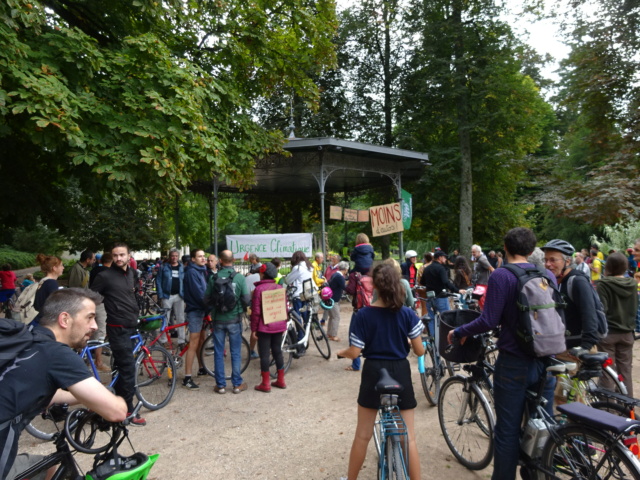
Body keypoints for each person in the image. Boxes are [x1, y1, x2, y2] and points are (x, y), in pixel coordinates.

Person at [448, 228, 558, 480]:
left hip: (514, 362)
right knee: (543, 424)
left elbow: (489, 320)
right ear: (532, 251)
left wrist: (460, 330)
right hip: (546, 359)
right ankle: (540, 473)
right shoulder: (547, 274)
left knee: (507, 430)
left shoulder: (502, 276)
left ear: (505, 248)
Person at [1, 289, 128, 479]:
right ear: (65, 319)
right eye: (89, 318)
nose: (95, 326)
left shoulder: (27, 339)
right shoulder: (56, 354)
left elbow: (42, 391)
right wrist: (118, 401)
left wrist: (90, 399)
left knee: (50, 468)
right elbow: (116, 411)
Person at [338, 263, 425, 480]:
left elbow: (355, 352)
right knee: (409, 437)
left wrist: (342, 353)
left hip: (374, 371)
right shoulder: (407, 314)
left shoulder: (363, 316)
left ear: (374, 285)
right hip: (400, 370)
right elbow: (420, 350)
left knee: (363, 435)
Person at [90, 242, 146, 426]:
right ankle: (127, 412)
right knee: (128, 370)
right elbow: (90, 297)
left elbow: (131, 295)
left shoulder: (131, 273)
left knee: (122, 370)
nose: (119, 258)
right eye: (115, 255)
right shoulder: (104, 276)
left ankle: (114, 403)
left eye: (122, 255)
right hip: (117, 328)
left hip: (131, 326)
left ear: (129, 255)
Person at [206, 249, 251, 394]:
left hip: (218, 319)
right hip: (234, 319)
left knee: (219, 352)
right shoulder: (239, 278)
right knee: (235, 352)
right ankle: (237, 384)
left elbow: (206, 299)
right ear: (234, 260)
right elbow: (246, 299)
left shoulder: (213, 278)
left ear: (220, 260)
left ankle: (220, 385)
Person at [595, 252, 637, 397]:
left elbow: (602, 310)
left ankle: (608, 409)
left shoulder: (603, 285)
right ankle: (626, 409)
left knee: (607, 372)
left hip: (608, 333)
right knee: (625, 372)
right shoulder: (632, 284)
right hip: (627, 333)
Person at [250, 263, 288, 393]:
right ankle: (281, 380)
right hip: (278, 324)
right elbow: (285, 308)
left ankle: (265, 383)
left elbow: (255, 312)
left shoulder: (259, 290)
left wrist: (254, 329)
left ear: (262, 274)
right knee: (277, 351)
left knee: (264, 354)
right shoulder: (279, 288)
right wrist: (284, 323)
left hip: (264, 327)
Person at [420, 251, 466, 335]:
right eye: (444, 257)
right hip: (441, 297)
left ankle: (433, 339)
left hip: (430, 297)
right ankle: (445, 339)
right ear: (439, 258)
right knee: (446, 318)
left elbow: (422, 282)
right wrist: (457, 290)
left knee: (431, 318)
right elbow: (446, 282)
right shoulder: (441, 268)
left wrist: (431, 284)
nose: (445, 259)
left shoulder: (427, 268)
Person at [182, 249, 209, 390]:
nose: (203, 258)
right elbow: (199, 294)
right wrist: (209, 305)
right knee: (193, 343)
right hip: (195, 311)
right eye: (200, 256)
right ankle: (187, 377)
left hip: (200, 310)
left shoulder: (200, 270)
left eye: (204, 256)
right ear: (193, 259)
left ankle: (201, 368)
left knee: (200, 341)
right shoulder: (192, 272)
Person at [88, 252, 113, 372]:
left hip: (91, 303)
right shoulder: (108, 272)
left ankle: (88, 359)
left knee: (90, 331)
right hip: (102, 304)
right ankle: (98, 362)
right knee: (101, 331)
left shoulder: (94, 270)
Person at [156, 248, 186, 347]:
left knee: (180, 319)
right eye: (172, 256)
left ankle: (182, 340)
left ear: (178, 257)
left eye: (176, 256)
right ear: (170, 256)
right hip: (167, 296)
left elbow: (185, 281)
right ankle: (163, 340)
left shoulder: (182, 267)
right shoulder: (163, 267)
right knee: (165, 318)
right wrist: (160, 295)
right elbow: (158, 281)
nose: (174, 258)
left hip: (179, 296)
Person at [284, 251, 313, 353]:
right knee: (305, 319)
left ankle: (300, 341)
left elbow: (287, 280)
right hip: (307, 295)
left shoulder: (297, 268)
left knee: (297, 319)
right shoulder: (310, 267)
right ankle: (304, 339)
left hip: (298, 296)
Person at [32, 254, 64, 326]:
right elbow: (55, 305)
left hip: (37, 319)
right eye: (61, 265)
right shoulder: (51, 283)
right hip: (43, 322)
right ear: (54, 268)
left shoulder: (43, 281)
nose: (63, 268)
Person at [326, 261, 349, 342]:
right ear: (345, 269)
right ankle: (333, 335)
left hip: (330, 298)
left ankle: (329, 333)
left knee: (332, 317)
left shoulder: (335, 274)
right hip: (334, 299)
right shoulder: (340, 277)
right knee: (336, 317)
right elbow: (344, 287)